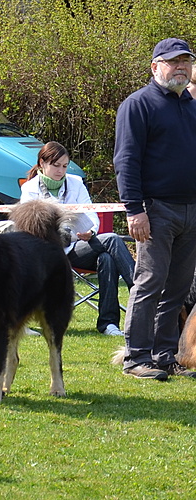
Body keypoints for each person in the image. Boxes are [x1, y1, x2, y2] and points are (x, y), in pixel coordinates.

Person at [114, 37, 196, 380]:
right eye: (173, 61)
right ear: (155, 67)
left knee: (178, 288)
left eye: (186, 62)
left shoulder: (190, 106)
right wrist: (135, 210)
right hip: (155, 210)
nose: (180, 67)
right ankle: (135, 357)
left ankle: (165, 356)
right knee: (149, 283)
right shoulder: (138, 105)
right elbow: (126, 161)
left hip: (191, 211)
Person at [20, 141, 135, 336]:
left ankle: (108, 324)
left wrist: (90, 232)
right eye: (56, 165)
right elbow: (31, 228)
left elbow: (91, 216)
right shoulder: (30, 189)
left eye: (64, 166)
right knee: (112, 243)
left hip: (75, 247)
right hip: (45, 253)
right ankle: (140, 290)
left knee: (107, 254)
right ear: (42, 163)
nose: (60, 170)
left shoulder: (76, 182)